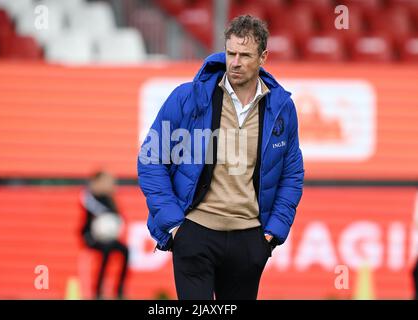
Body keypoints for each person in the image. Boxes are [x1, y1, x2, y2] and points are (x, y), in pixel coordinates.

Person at [138, 15, 304, 300]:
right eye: (231, 53)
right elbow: (150, 159)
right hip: (195, 234)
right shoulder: (187, 97)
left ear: (263, 57)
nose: (235, 62)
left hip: (250, 240)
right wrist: (176, 226)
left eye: (245, 55)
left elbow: (292, 175)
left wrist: (271, 234)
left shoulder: (282, 108)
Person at [80, 170, 129, 299]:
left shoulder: (109, 199)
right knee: (106, 251)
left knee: (125, 250)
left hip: (108, 238)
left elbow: (116, 218)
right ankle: (98, 291)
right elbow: (98, 215)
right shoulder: (89, 197)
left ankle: (119, 290)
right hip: (91, 237)